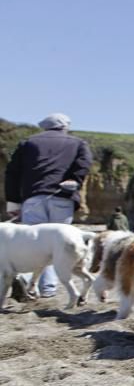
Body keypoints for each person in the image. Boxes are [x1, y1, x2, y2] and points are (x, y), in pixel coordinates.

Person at [4, 113, 93, 297]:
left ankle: (27, 282)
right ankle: (48, 289)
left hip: (33, 198)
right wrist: (73, 181)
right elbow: (83, 165)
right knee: (57, 245)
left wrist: (13, 202)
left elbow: (12, 172)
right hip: (62, 198)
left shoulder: (27, 143)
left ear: (44, 126)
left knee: (31, 244)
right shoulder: (78, 143)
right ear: (65, 126)